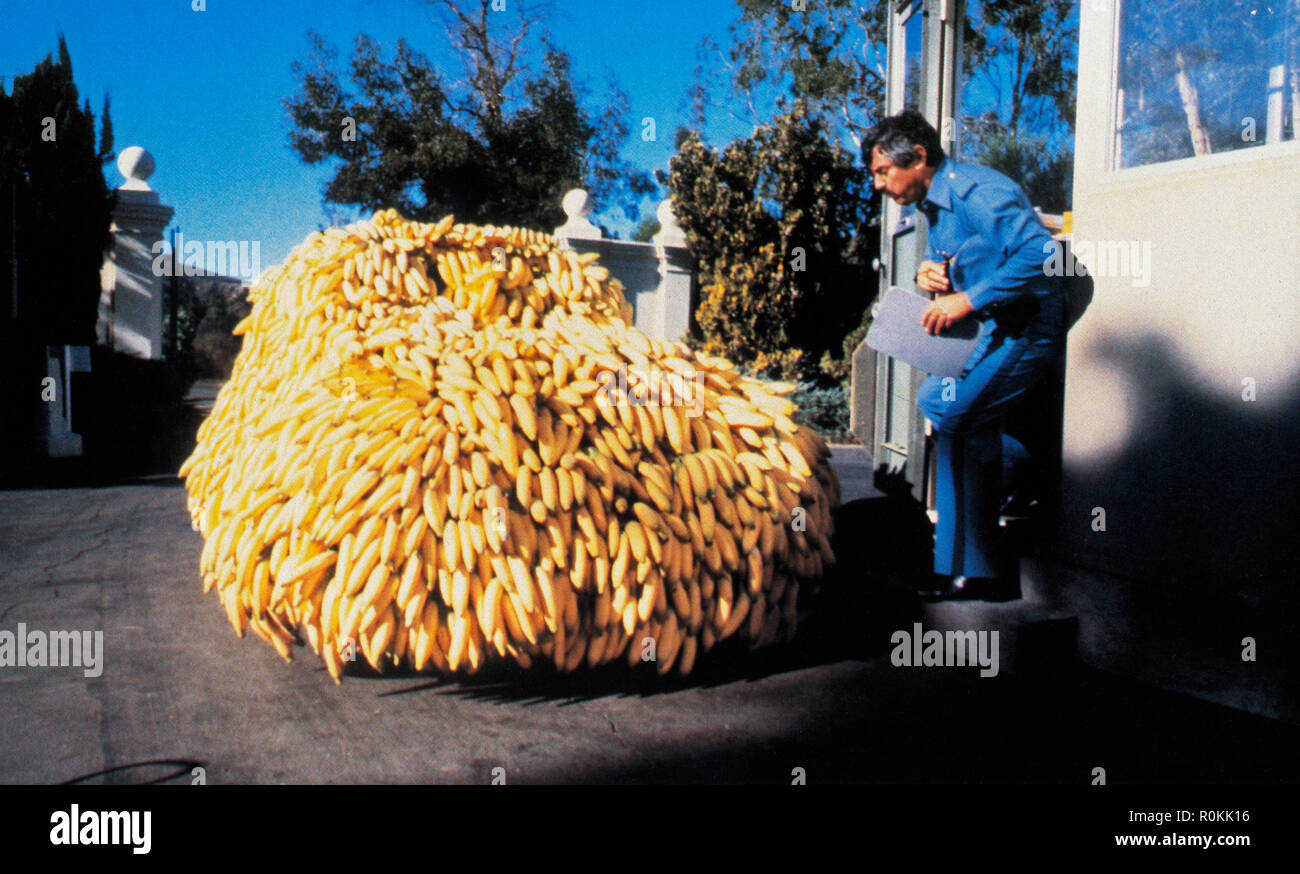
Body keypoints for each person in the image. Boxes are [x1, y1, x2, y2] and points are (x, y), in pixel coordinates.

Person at [862, 110, 1067, 600]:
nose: (878, 185)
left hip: (1026, 329)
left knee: (955, 419)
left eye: (882, 171)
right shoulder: (934, 204)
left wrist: (969, 300)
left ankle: (972, 571)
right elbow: (949, 254)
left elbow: (1041, 254)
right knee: (936, 401)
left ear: (918, 157)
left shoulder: (978, 190)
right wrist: (929, 273)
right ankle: (1027, 471)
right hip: (992, 329)